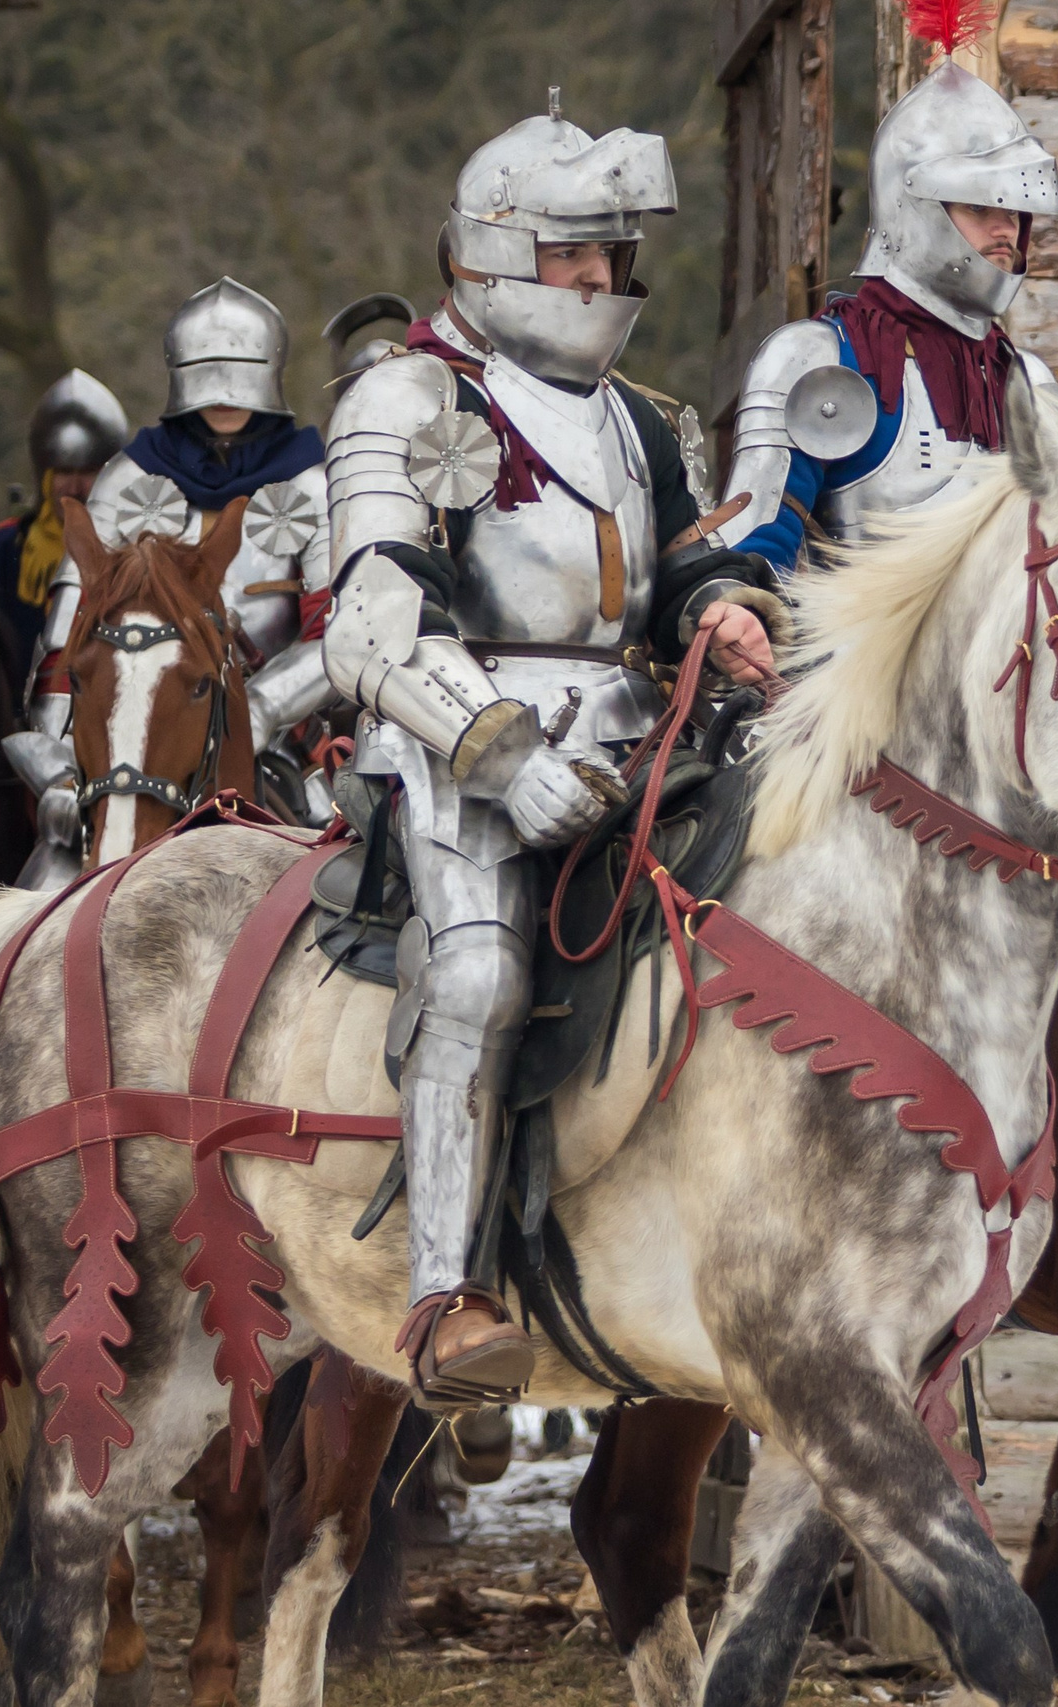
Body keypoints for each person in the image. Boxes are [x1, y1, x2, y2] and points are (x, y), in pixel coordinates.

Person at [322, 105, 782, 1406]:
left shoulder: (642, 422)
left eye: (615, 254)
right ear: (496, 250)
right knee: (473, 973)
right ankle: (442, 1297)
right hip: (455, 736)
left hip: (645, 739)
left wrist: (722, 611)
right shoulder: (408, 395)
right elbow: (372, 624)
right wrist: (502, 751)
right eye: (576, 252)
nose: (602, 280)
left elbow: (684, 565)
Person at [14, 279, 335, 883]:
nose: (223, 397)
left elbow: (341, 633)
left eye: (238, 376)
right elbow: (65, 648)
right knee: (46, 886)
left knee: (344, 884)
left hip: (280, 742)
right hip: (121, 741)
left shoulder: (313, 487)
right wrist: (58, 769)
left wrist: (260, 710)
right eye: (207, 378)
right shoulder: (126, 478)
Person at [712, 58, 1058, 572]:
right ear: (914, 210)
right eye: (980, 208)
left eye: (1013, 211)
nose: (1005, 229)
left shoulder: (1029, 383)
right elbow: (756, 550)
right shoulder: (820, 358)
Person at [0, 369, 129, 666]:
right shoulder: (4, 550)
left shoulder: (132, 554)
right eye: (63, 472)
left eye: (87, 471)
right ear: (45, 477)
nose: (73, 488)